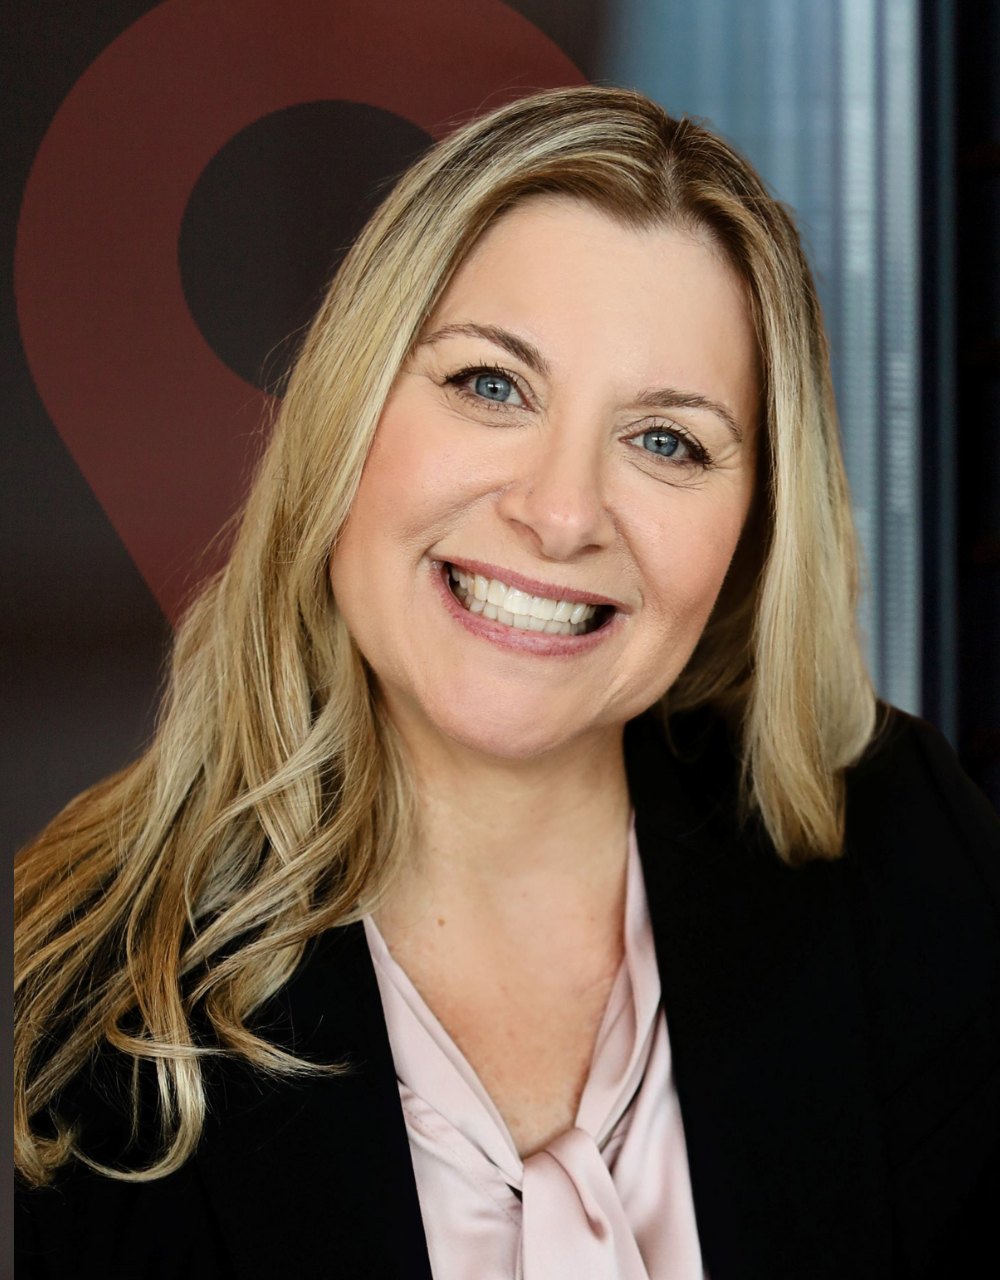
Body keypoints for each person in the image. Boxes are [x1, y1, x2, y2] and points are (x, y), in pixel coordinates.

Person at [13, 86, 1000, 1280]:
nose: (561, 511)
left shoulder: (902, 847)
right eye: (492, 384)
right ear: (347, 415)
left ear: (754, 528)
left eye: (667, 440)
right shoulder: (65, 1003)